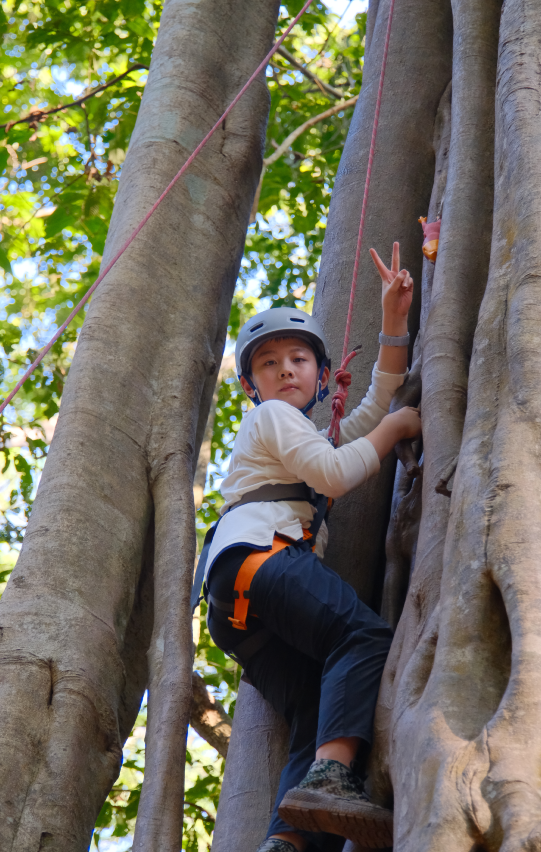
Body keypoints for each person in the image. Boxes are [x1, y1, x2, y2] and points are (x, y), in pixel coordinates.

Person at [203, 243, 421, 852]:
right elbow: (337, 471)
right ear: (252, 385)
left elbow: (375, 409)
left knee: (316, 711)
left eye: (299, 359)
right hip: (260, 561)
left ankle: (290, 841)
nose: (286, 370)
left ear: (322, 375)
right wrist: (399, 431)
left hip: (237, 607)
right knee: (362, 635)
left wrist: (394, 322)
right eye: (269, 364)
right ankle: (331, 778)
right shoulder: (272, 419)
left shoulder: (301, 433)